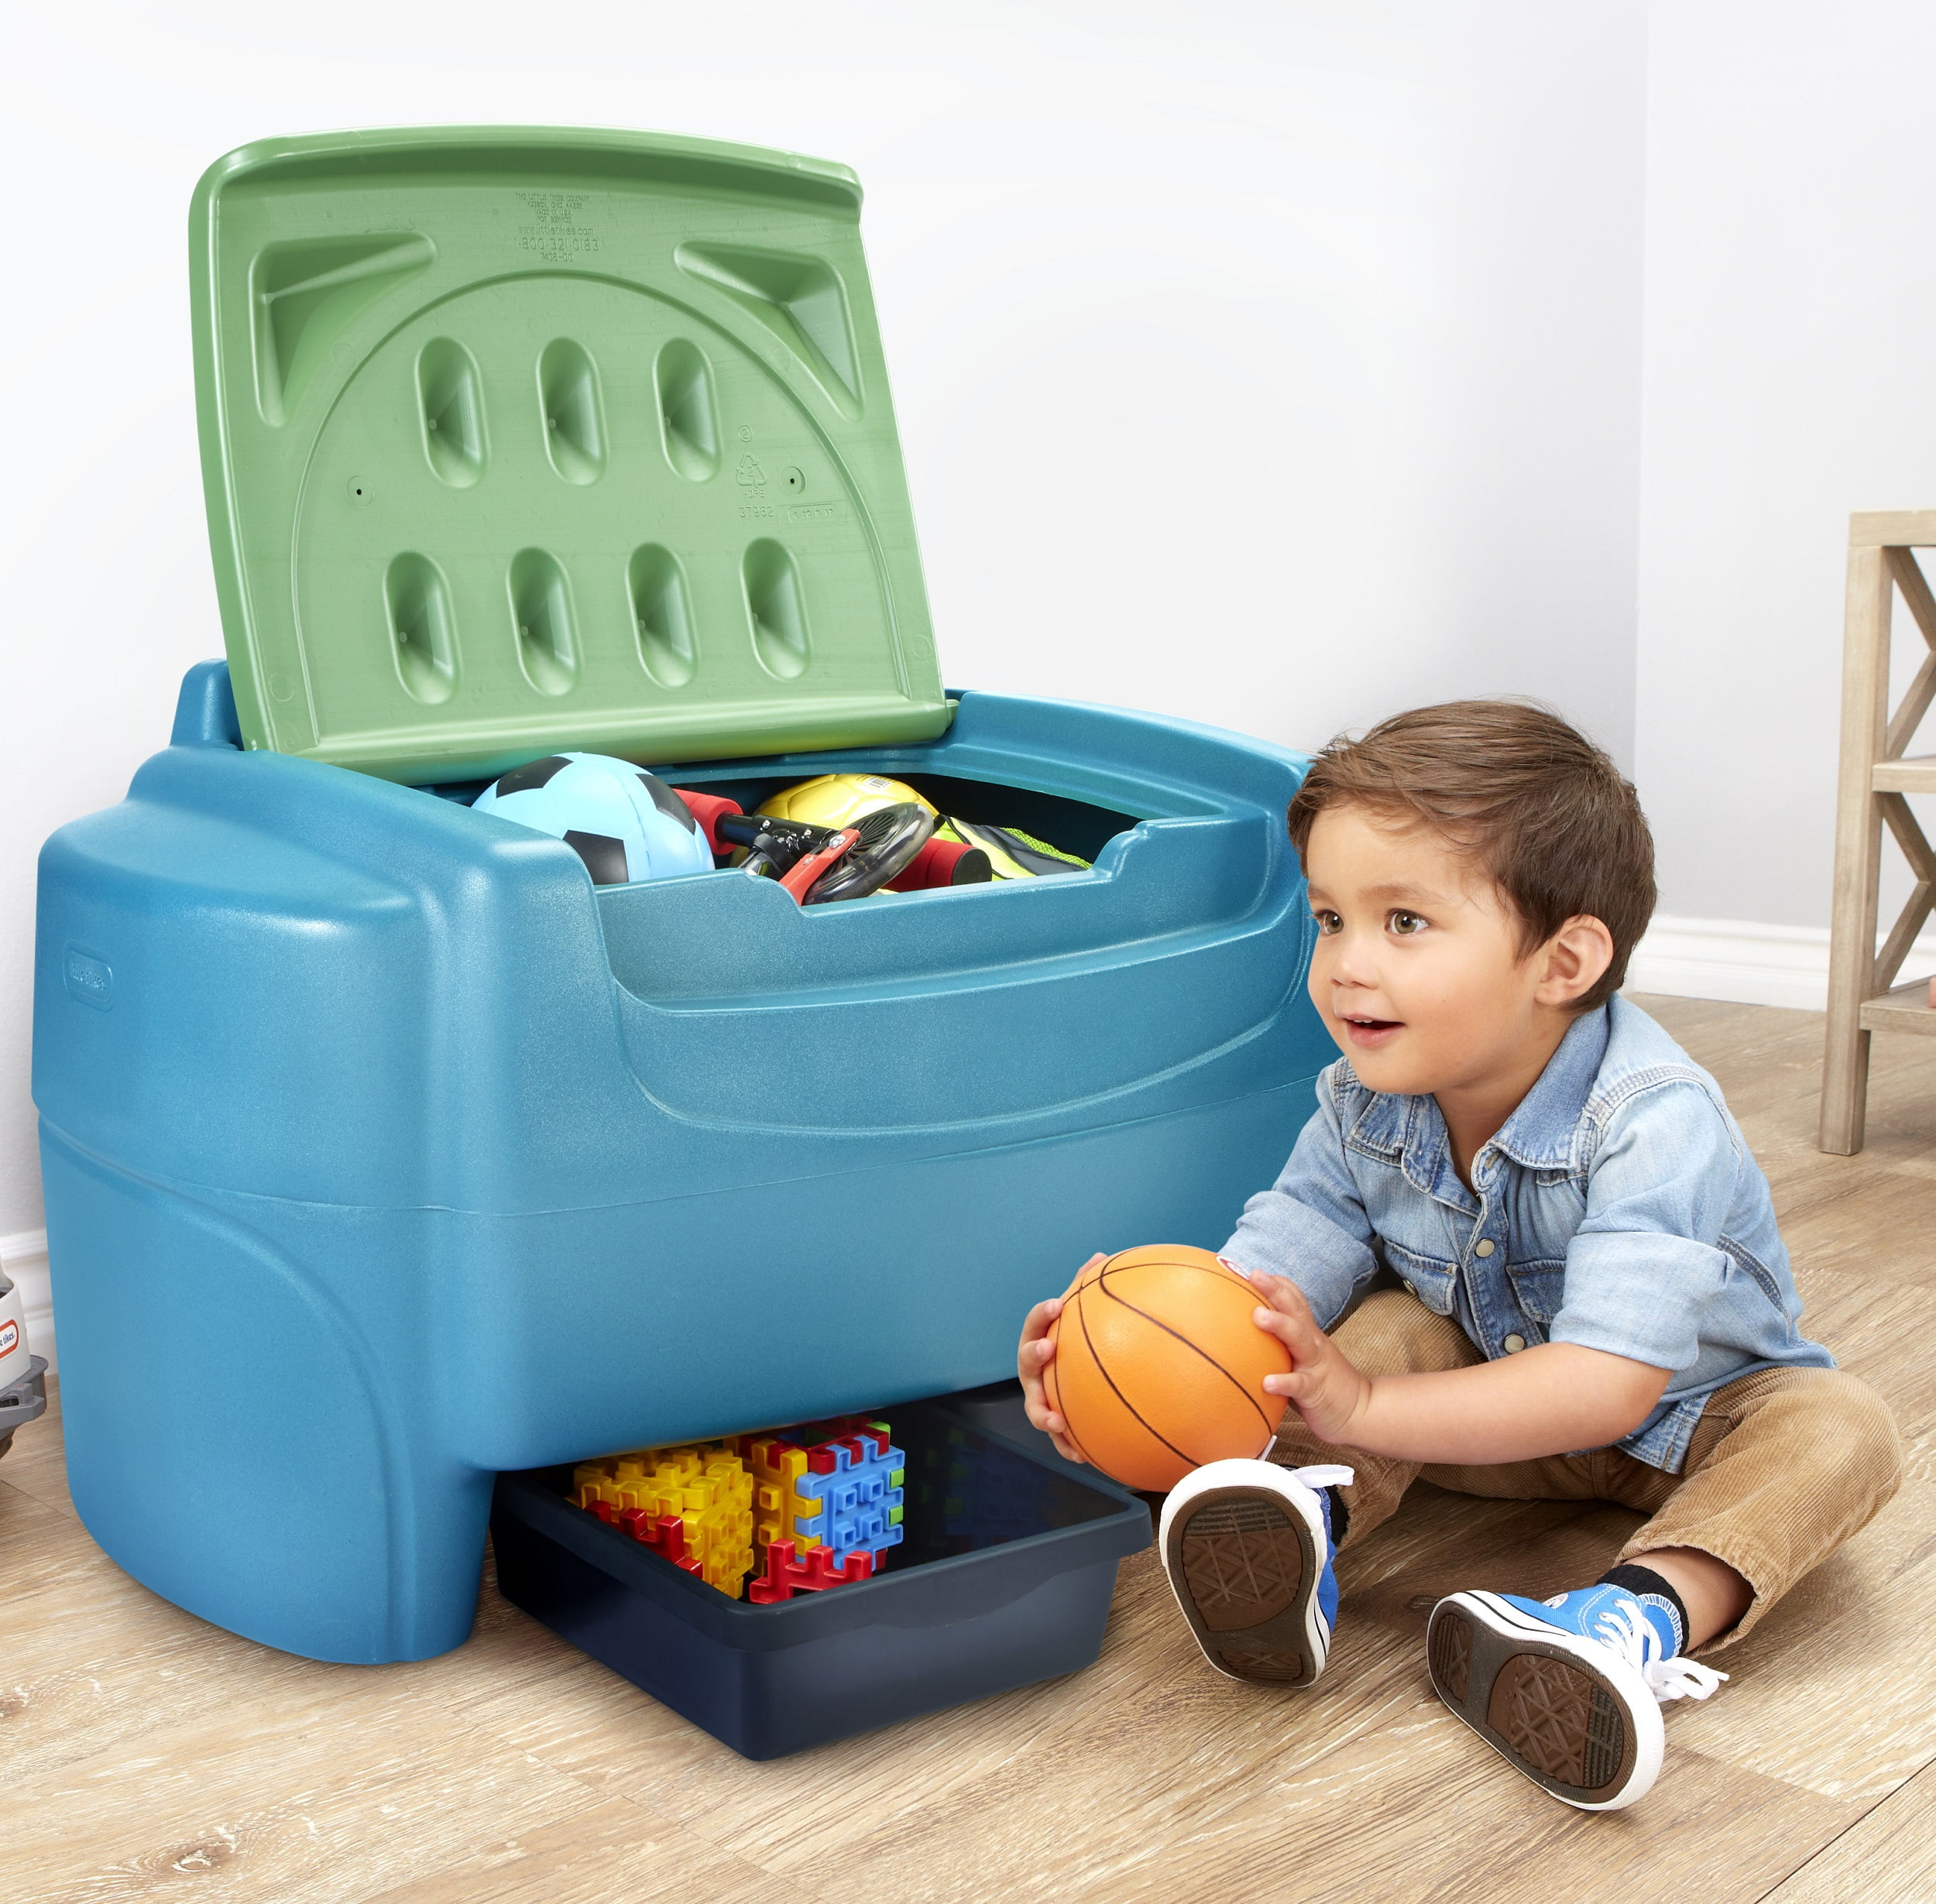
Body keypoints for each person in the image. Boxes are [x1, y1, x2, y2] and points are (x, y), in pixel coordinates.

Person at [1017, 701, 1902, 1812]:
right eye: (1330, 918)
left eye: (1404, 922)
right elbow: (1264, 1286)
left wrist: (1364, 1408)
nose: (1346, 965)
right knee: (1388, 1325)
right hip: (1471, 1414)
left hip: (1685, 1424)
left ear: (1564, 960)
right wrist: (1128, 1368)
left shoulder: (1653, 1120)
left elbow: (1610, 1385)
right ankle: (1301, 1523)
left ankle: (1627, 1618)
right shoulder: (1357, 1105)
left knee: (1842, 1429)